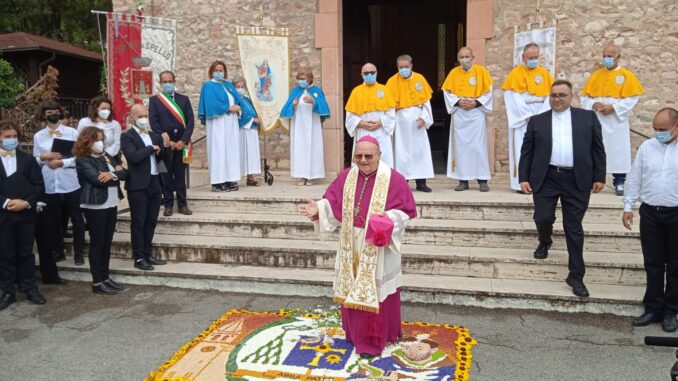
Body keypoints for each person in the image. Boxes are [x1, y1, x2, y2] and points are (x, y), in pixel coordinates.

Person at [299, 135, 417, 357]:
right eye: (359, 156)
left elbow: (406, 212)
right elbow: (332, 204)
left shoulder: (394, 179)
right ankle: (355, 336)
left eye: (368, 156)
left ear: (379, 155)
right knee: (353, 288)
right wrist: (319, 208)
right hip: (350, 242)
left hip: (377, 244)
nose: (363, 160)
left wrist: (387, 221)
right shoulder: (347, 176)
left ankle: (374, 341)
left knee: (376, 292)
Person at [519, 80, 606, 298]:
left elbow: (598, 149)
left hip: (577, 179)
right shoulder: (538, 121)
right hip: (546, 177)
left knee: (573, 227)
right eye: (553, 95)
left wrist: (599, 176)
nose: (557, 99)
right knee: (543, 216)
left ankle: (576, 276)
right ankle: (545, 240)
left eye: (562, 95)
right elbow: (527, 150)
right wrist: (523, 177)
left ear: (571, 97)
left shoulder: (587, 118)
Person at [623, 107, 678, 332]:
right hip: (651, 213)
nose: (658, 133)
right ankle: (653, 307)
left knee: (676, 264)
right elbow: (635, 177)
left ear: (676, 127)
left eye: (663, 129)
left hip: (676, 213)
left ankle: (671, 310)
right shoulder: (647, 147)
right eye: (655, 129)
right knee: (653, 262)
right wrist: (628, 206)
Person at [581, 44, 645, 195]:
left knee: (618, 150)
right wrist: (593, 104)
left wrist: (615, 108)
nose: (606, 59)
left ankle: (619, 182)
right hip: (598, 118)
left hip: (616, 120)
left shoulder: (626, 75)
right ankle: (595, 179)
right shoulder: (596, 75)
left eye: (610, 56)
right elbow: (585, 97)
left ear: (618, 57)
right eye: (604, 56)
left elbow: (632, 98)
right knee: (596, 148)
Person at [74, 126, 128, 295]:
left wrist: (112, 175)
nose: (100, 143)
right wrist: (114, 175)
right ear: (87, 141)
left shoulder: (107, 155)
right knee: (97, 243)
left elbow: (125, 173)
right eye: (96, 140)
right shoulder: (83, 159)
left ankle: (105, 277)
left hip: (111, 203)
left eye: (101, 139)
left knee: (107, 242)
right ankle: (97, 282)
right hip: (95, 205)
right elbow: (97, 180)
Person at [33, 100, 84, 273]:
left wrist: (62, 162)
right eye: (48, 112)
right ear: (43, 114)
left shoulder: (71, 132)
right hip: (50, 184)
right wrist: (43, 157)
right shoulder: (39, 136)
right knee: (53, 221)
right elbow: (34, 161)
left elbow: (80, 156)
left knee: (77, 219)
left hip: (70, 182)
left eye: (55, 110)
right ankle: (59, 251)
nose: (52, 114)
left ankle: (78, 253)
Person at [0, 120, 46, 310]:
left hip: (26, 214)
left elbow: (39, 185)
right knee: (5, 255)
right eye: (7, 137)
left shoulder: (28, 159)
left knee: (27, 253)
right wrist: (6, 202)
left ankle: (30, 287)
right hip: (3, 214)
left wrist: (26, 202)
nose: (11, 140)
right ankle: (8, 291)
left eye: (14, 137)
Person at [121, 104, 170, 271]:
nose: (144, 119)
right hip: (138, 185)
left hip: (155, 182)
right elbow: (133, 157)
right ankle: (139, 256)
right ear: (133, 117)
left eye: (145, 115)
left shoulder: (154, 136)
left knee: (151, 221)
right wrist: (150, 149)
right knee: (139, 221)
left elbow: (162, 159)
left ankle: (148, 253)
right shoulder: (127, 137)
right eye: (140, 116)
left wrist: (163, 149)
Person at [502, 42, 553, 192]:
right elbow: (511, 96)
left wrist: (542, 115)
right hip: (523, 118)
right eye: (530, 57)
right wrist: (527, 115)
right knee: (521, 148)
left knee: (540, 149)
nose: (533, 60)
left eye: (536, 57)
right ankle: (521, 183)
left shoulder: (544, 74)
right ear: (523, 56)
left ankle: (538, 182)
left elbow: (551, 96)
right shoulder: (515, 74)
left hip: (540, 113)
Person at [442, 47, 494, 192]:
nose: (464, 60)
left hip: (476, 114)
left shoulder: (481, 72)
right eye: (462, 57)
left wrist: (476, 102)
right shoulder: (453, 73)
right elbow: (447, 91)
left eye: (467, 57)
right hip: (460, 114)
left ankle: (482, 180)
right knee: (461, 149)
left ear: (473, 57)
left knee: (478, 147)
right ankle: (463, 181)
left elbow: (488, 91)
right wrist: (458, 102)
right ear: (458, 59)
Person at [198, 60, 253, 192]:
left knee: (231, 150)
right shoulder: (208, 86)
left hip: (231, 123)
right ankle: (217, 182)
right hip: (217, 123)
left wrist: (238, 107)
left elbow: (238, 100)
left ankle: (229, 179)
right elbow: (211, 104)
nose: (219, 72)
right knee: (218, 150)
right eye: (216, 70)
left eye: (221, 70)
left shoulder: (228, 85)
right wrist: (228, 108)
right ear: (211, 72)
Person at [385, 54, 434, 192]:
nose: (404, 69)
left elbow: (426, 102)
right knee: (401, 151)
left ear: (411, 65)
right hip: (400, 121)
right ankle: (403, 182)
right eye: (401, 67)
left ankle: (421, 183)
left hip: (417, 119)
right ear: (397, 67)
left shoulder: (420, 79)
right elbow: (387, 106)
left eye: (406, 67)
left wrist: (424, 118)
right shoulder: (391, 81)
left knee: (420, 150)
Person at [149, 70, 195, 216]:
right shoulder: (155, 100)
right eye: (165, 82)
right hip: (165, 145)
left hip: (182, 145)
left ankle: (182, 205)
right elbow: (153, 122)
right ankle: (168, 205)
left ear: (174, 82)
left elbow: (190, 122)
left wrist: (183, 140)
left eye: (170, 81)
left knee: (180, 176)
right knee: (166, 176)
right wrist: (167, 139)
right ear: (160, 83)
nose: (168, 84)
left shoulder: (184, 99)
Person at [280, 68, 330, 186]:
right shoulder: (295, 91)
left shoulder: (316, 91)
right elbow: (286, 108)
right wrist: (293, 104)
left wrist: (314, 101)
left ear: (309, 79)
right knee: (300, 149)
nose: (302, 81)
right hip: (299, 126)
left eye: (304, 79)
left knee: (313, 148)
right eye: (300, 79)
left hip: (313, 125)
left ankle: (311, 177)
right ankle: (302, 176)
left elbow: (324, 106)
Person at [345, 63, 396, 167]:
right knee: (363, 159)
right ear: (362, 75)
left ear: (377, 73)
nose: (369, 75)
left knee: (383, 160)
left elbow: (391, 113)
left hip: (381, 131)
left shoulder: (385, 90)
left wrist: (380, 123)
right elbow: (350, 116)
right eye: (366, 73)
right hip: (363, 131)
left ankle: (383, 182)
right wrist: (362, 123)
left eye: (372, 72)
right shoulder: (356, 91)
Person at [233, 76, 263, 186]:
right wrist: (252, 119)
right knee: (240, 153)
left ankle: (250, 177)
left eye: (242, 87)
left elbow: (253, 111)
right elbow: (239, 114)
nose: (240, 89)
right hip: (241, 129)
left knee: (251, 154)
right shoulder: (234, 99)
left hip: (251, 130)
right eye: (238, 87)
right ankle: (235, 179)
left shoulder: (247, 100)